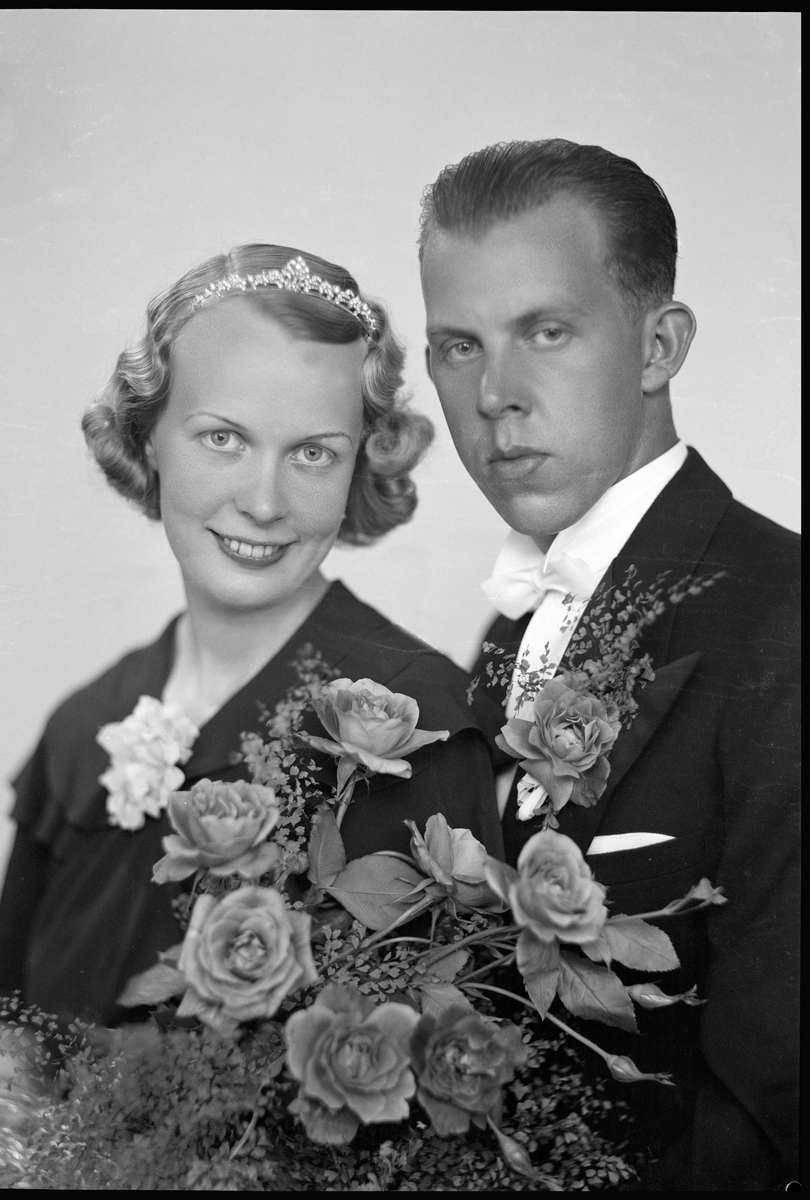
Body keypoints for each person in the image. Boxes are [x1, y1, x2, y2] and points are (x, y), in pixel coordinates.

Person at [0, 243, 504, 1037]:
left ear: (358, 465)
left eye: (313, 453)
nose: (263, 503)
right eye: (223, 438)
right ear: (147, 437)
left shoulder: (416, 726)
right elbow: (12, 1049)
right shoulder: (82, 728)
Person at [418, 140, 799, 1191]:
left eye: (546, 331)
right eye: (458, 346)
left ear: (657, 346)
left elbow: (777, 1110)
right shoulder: (513, 629)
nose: (496, 394)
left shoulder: (786, 621)